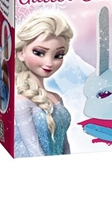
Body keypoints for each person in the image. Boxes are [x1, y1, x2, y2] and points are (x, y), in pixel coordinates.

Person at [14, 12, 73, 157]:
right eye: (39, 53)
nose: (49, 63)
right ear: (21, 53)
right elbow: (32, 149)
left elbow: (64, 143)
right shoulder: (21, 102)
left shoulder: (57, 98)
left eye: (58, 55)